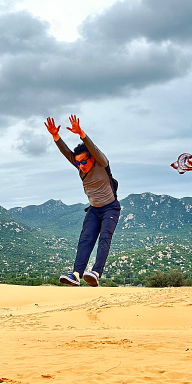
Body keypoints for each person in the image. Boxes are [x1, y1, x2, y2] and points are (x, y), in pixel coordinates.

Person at [44, 115, 120, 287]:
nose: (80, 165)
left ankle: (95, 273)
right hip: (94, 209)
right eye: (78, 163)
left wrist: (82, 134)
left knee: (104, 238)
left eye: (84, 161)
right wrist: (56, 136)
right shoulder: (80, 167)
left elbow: (94, 149)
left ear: (92, 158)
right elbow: (66, 153)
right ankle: (76, 275)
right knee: (85, 240)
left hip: (110, 208)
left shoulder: (101, 162)